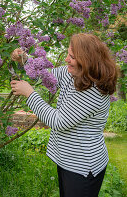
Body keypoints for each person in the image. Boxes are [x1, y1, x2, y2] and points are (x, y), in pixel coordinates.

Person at [11, 33, 118, 197]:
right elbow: (46, 75)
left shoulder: (93, 91)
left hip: (82, 165)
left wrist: (29, 93)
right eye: (68, 54)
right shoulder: (73, 73)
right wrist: (24, 59)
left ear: (87, 61)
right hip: (68, 159)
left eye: (72, 57)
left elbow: (59, 121)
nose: (67, 59)